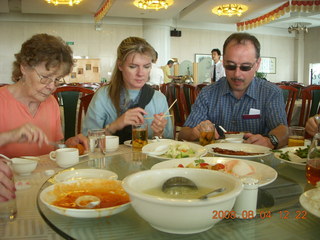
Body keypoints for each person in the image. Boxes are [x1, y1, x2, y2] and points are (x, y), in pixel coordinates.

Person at [178, 32, 288, 149]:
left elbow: (283, 131)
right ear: (224, 62)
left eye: (245, 67)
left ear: (257, 64)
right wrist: (195, 131)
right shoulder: (207, 93)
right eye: (230, 66)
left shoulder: (270, 93)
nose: (237, 74)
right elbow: (183, 134)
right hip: (216, 162)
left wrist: (270, 141)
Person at [0, 33, 88, 158]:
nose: (52, 87)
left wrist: (69, 146)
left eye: (57, 79)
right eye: (45, 77)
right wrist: (9, 136)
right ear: (24, 68)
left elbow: (53, 150)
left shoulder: (51, 103)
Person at [82, 36, 174, 143]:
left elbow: (169, 144)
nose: (140, 73)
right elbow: (87, 141)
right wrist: (115, 125)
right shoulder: (103, 96)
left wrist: (158, 134)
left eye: (146, 66)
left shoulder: (159, 99)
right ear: (120, 65)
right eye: (133, 66)